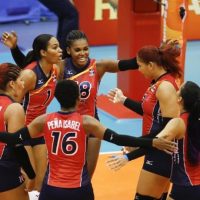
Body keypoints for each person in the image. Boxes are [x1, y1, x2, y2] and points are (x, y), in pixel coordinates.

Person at [0, 79, 177, 200]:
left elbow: (14, 138)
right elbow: (119, 138)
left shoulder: (43, 120)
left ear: (57, 98)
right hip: (79, 188)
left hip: (51, 188)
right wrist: (151, 142)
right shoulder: (86, 122)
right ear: (78, 99)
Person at [1, 29, 139, 178]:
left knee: (86, 176)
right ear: (69, 50)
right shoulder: (59, 66)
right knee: (63, 174)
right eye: (77, 50)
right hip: (67, 125)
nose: (83, 53)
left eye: (86, 49)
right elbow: (34, 67)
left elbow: (130, 64)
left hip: (92, 124)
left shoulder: (99, 66)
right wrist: (14, 48)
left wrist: (157, 56)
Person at [106, 43, 182, 199]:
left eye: (140, 66)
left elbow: (167, 134)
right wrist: (123, 100)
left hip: (161, 154)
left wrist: (132, 152)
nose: (138, 70)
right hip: (154, 148)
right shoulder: (157, 83)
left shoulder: (165, 87)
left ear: (151, 65)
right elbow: (149, 111)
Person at [1, 33, 63, 192]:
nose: (60, 51)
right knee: (28, 180)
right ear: (43, 52)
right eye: (55, 47)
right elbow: (13, 101)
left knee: (40, 182)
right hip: (23, 131)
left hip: (39, 131)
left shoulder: (55, 69)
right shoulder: (29, 75)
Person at [156, 81, 200, 200]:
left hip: (185, 185)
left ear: (180, 99)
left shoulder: (178, 122)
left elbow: (155, 141)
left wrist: (130, 151)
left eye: (178, 89)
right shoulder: (195, 121)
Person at [0, 63, 35, 200]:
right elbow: (17, 147)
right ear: (12, 84)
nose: (24, 84)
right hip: (5, 170)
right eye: (21, 80)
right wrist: (30, 174)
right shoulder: (14, 108)